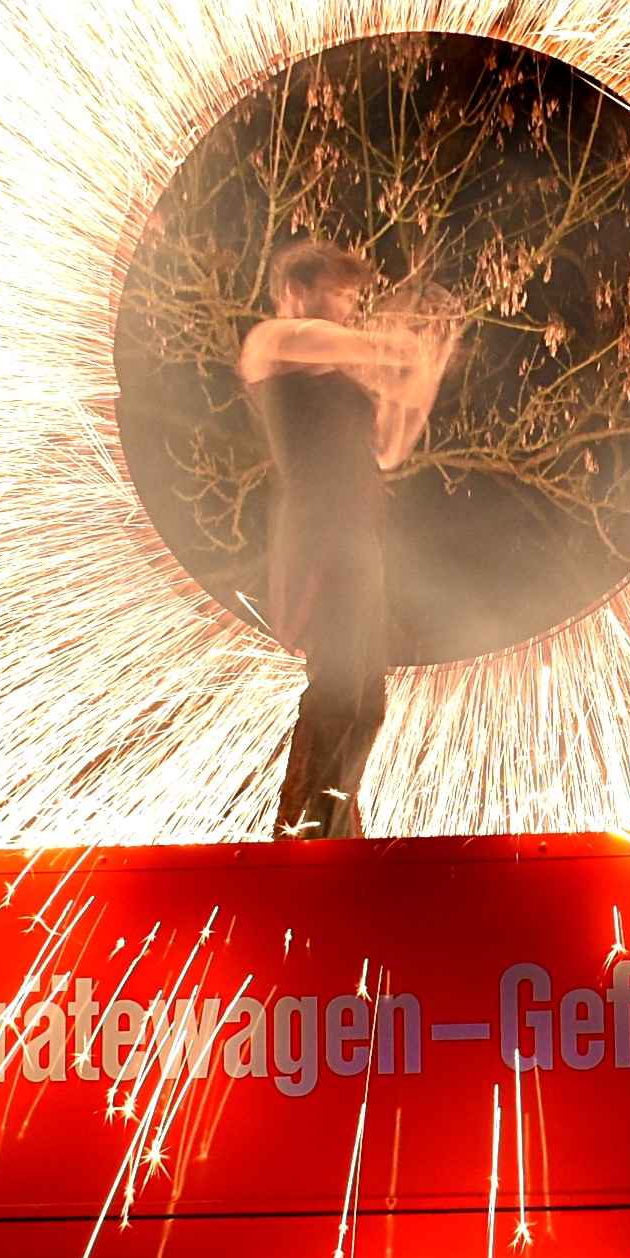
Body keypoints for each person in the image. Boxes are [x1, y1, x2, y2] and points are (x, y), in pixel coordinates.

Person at [239, 239, 457, 837]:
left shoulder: (341, 376)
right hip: (321, 535)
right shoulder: (274, 343)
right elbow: (326, 342)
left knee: (366, 699)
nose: (347, 308)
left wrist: (423, 378)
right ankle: (302, 833)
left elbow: (388, 450)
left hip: (360, 540)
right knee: (337, 687)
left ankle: (334, 827)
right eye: (338, 294)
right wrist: (392, 349)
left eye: (350, 298)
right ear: (296, 291)